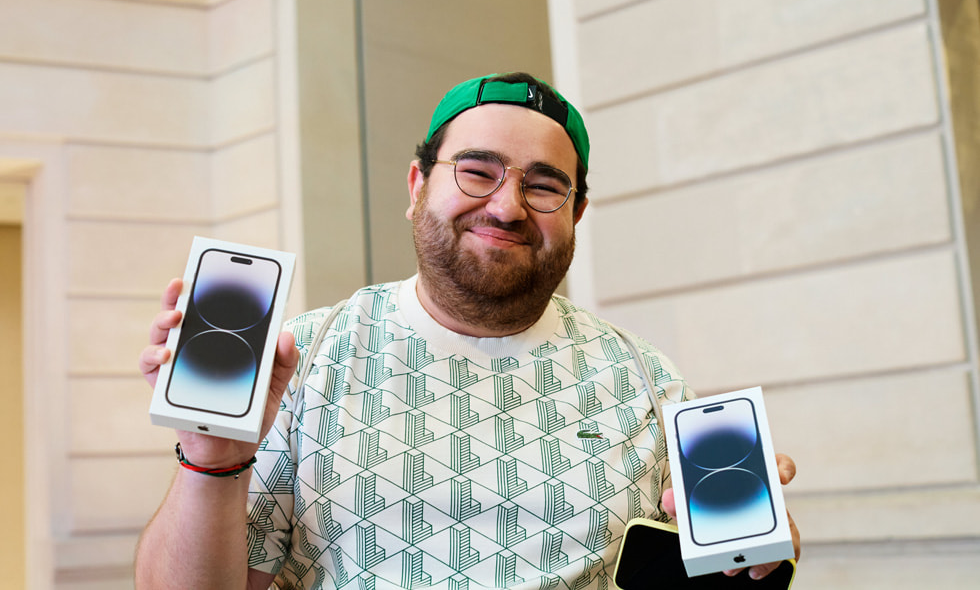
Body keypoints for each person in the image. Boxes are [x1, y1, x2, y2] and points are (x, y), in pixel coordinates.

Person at [136, 72, 800, 589]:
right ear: (417, 183)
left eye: (544, 186)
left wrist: (752, 561)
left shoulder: (647, 380)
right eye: (478, 171)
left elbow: (711, 580)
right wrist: (213, 456)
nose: (507, 206)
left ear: (579, 210)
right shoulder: (305, 360)